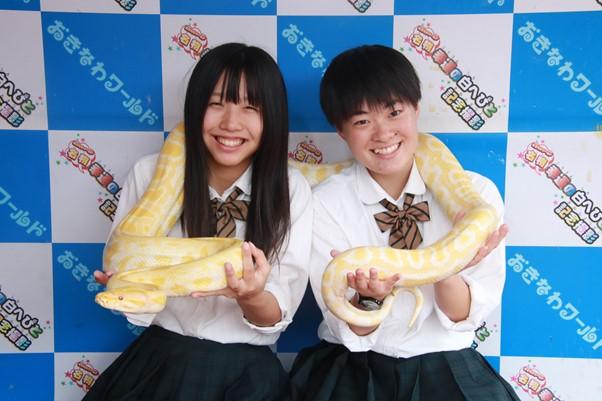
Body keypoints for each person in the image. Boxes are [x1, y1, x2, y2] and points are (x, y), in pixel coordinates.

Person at [287, 45, 519, 401]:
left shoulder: (477, 197)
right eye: (362, 121)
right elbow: (348, 326)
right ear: (341, 131)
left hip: (446, 370)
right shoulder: (323, 201)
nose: (383, 134)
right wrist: (368, 299)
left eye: (394, 113)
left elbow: (462, 317)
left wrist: (447, 270)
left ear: (416, 109)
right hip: (353, 370)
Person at [85, 43, 312, 401]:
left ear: (272, 117)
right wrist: (127, 287)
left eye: (250, 107)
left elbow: (275, 316)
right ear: (194, 107)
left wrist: (251, 295)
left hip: (247, 376)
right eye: (216, 103)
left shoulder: (290, 188)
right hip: (160, 363)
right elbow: (130, 283)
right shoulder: (149, 173)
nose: (231, 123)